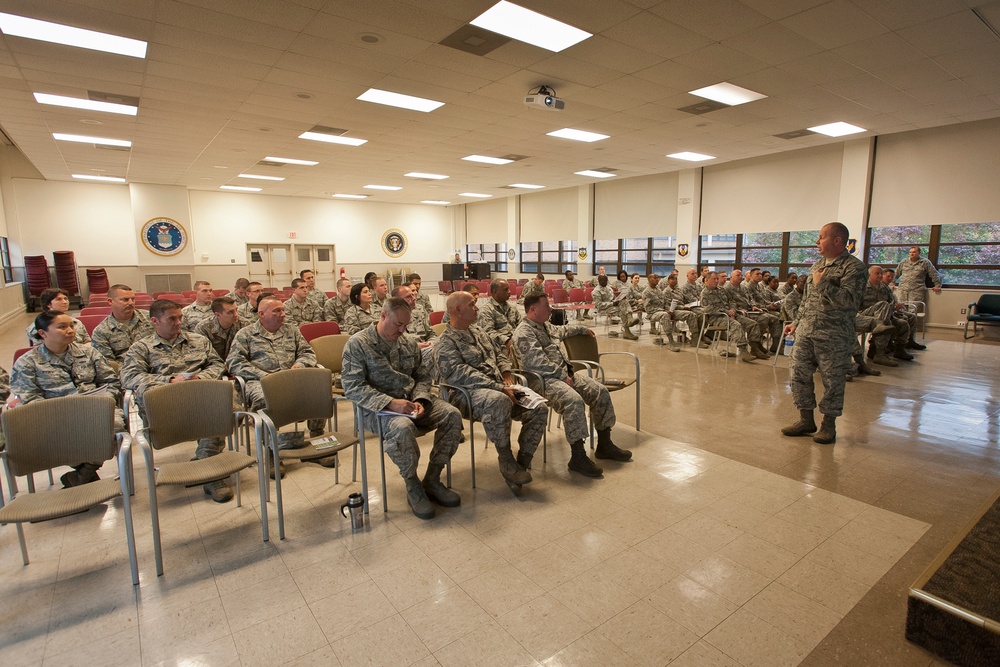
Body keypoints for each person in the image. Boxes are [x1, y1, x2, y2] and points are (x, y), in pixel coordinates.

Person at [341, 297, 463, 520]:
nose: (402, 330)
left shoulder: (407, 343)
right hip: (375, 410)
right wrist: (390, 402)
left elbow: (422, 376)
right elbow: (352, 387)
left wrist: (421, 399)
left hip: (410, 404)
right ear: (383, 316)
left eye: (406, 325)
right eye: (398, 324)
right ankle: (412, 483)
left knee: (452, 415)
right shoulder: (358, 344)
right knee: (402, 426)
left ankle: (433, 478)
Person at [121, 299, 233, 502]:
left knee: (225, 409)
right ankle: (208, 469)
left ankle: (207, 470)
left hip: (200, 396)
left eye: (180, 317)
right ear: (155, 321)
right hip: (166, 406)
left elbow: (218, 364)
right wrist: (169, 380)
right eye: (172, 318)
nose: (179, 322)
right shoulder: (142, 348)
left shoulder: (198, 341)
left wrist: (202, 378)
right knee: (211, 412)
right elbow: (129, 376)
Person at [512, 294, 632, 478]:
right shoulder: (524, 332)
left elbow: (564, 330)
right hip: (541, 381)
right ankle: (577, 456)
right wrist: (561, 375)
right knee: (573, 401)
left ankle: (605, 444)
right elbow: (534, 363)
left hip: (563, 376)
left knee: (599, 391)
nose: (550, 309)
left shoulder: (546, 326)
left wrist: (582, 329)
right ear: (533, 309)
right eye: (546, 306)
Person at [436, 291, 543, 489]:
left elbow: (499, 353)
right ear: (458, 310)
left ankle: (522, 462)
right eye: (472, 305)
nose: (477, 308)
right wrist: (499, 387)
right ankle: (506, 458)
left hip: (498, 387)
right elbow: (461, 374)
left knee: (539, 407)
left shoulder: (478, 332)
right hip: (465, 395)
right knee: (499, 401)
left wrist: (505, 371)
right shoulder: (446, 342)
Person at [11, 310, 123, 488]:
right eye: (62, 327)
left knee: (114, 426)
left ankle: (82, 476)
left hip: (94, 409)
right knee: (62, 435)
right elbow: (29, 398)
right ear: (42, 333)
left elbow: (111, 382)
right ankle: (86, 472)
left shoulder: (89, 353)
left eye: (71, 326)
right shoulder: (28, 362)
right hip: (52, 416)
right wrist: (60, 412)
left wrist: (103, 402)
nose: (70, 330)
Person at [781, 222, 867, 445]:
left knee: (832, 380)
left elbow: (850, 302)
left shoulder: (854, 268)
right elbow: (807, 300)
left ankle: (828, 425)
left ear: (837, 240)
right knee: (798, 374)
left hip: (834, 334)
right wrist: (797, 322)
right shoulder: (818, 264)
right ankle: (805, 419)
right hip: (807, 331)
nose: (817, 242)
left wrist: (824, 284)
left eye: (821, 237)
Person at [227, 296, 330, 471]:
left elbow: (307, 352)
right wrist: (265, 375)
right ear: (261, 314)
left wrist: (300, 365)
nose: (283, 314)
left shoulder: (291, 330)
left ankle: (316, 439)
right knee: (263, 400)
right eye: (277, 311)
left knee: (318, 391)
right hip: (261, 381)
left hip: (292, 376)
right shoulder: (246, 334)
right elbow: (234, 362)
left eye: (283, 310)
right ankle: (271, 451)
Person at [700, 272, 755, 362]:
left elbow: (732, 301)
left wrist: (733, 309)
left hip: (730, 314)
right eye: (714, 279)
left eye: (717, 279)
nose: (716, 281)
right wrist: (727, 312)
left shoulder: (722, 289)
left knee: (752, 323)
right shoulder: (705, 293)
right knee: (736, 325)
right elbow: (709, 310)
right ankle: (743, 351)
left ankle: (755, 348)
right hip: (717, 318)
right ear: (707, 280)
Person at [91, 284, 154, 363]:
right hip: (126, 371)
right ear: (110, 301)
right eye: (125, 299)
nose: (131, 303)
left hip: (157, 365)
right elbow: (106, 365)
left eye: (133, 299)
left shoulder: (150, 318)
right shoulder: (101, 331)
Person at [894, 247, 938, 350]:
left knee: (913, 315)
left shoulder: (924, 262)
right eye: (910, 252)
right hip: (903, 290)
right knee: (901, 313)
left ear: (919, 253)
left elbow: (933, 273)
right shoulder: (904, 262)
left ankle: (910, 340)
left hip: (916, 291)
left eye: (914, 252)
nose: (911, 254)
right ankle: (900, 338)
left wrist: (937, 284)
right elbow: (896, 273)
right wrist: (892, 283)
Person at [721, 271, 771, 359]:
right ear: (731, 277)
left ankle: (756, 343)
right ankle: (753, 347)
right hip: (738, 312)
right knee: (755, 322)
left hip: (748, 310)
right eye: (737, 275)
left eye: (741, 275)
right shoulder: (726, 288)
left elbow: (750, 298)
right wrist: (736, 310)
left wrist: (753, 306)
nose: (740, 277)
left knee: (765, 318)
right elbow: (728, 303)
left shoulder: (743, 287)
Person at [477, 278, 522, 351]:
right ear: (495, 292)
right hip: (499, 346)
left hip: (517, 341)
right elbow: (487, 333)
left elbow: (521, 325)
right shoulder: (486, 310)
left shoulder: (512, 308)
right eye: (506, 289)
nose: (509, 292)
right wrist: (506, 341)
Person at [196, 296, 245, 361]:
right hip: (214, 365)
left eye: (236, 310)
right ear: (217, 315)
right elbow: (203, 354)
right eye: (230, 312)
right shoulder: (203, 328)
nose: (236, 314)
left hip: (237, 362)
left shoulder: (244, 324)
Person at [643, 274, 680, 351]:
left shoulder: (658, 290)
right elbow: (648, 309)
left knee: (687, 314)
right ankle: (671, 342)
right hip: (653, 314)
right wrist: (664, 311)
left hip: (662, 311)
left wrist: (669, 309)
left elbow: (665, 302)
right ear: (649, 279)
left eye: (658, 278)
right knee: (665, 315)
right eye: (655, 278)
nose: (657, 279)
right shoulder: (646, 292)